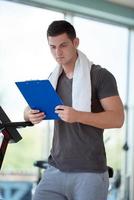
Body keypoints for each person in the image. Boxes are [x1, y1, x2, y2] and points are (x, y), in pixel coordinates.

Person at [24, 20, 124, 200]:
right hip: (55, 169)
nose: (58, 52)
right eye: (52, 47)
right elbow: (31, 108)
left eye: (63, 45)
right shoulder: (52, 79)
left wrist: (78, 116)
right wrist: (29, 114)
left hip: (90, 172)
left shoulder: (100, 76)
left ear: (75, 43)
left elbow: (117, 119)